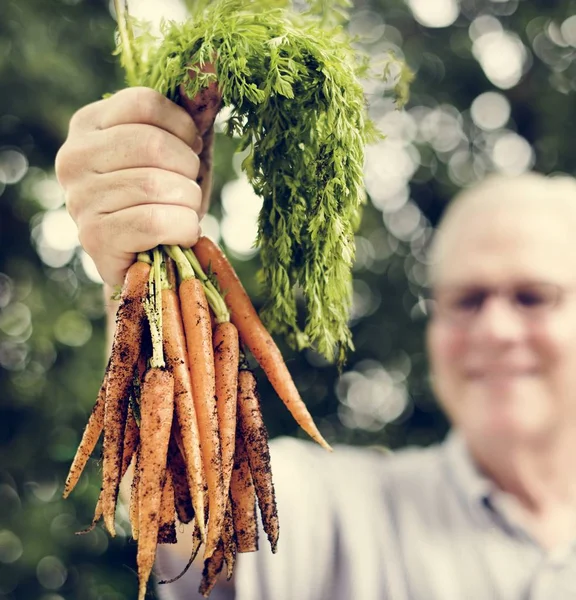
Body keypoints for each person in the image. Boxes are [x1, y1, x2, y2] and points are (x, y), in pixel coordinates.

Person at [56, 87, 576, 600]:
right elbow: (193, 526)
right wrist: (136, 269)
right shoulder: (344, 513)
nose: (495, 330)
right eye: (467, 300)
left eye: (534, 297)